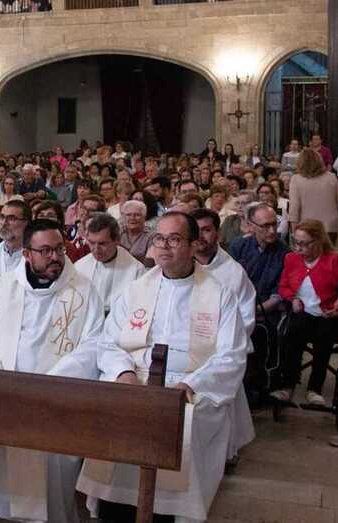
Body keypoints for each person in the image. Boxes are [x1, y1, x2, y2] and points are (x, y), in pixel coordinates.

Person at [77, 212, 247, 523]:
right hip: (136, 383)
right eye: (159, 239)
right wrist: (123, 374)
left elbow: (231, 356)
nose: (164, 246)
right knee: (110, 417)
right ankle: (115, 510)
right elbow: (109, 342)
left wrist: (190, 387)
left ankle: (170, 515)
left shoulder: (219, 293)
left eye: (174, 239)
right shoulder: (137, 289)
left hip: (189, 391)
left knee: (184, 427)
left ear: (194, 244)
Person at [0, 219, 105, 521]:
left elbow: (93, 345)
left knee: (46, 489)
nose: (56, 257)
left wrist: (49, 385)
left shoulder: (83, 292)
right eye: (46, 251)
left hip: (51, 405)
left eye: (59, 249)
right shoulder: (4, 287)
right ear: (27, 254)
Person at [190, 208, 258, 462]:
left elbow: (246, 318)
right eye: (196, 232)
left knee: (223, 374)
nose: (201, 237)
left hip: (221, 347)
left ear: (217, 233)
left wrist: (219, 345)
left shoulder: (233, 272)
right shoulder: (183, 266)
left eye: (207, 230)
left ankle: (226, 449)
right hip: (185, 347)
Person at [270, 220, 338, 406]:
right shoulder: (291, 259)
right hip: (301, 313)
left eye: (304, 243)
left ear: (318, 241)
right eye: (296, 242)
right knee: (292, 336)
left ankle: (314, 389)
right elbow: (283, 286)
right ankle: (287, 387)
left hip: (328, 314)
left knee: (324, 338)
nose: (298, 248)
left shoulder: (335, 260)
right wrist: (293, 298)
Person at [74, 213, 145, 314]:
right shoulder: (80, 266)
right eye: (92, 242)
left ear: (117, 240)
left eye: (102, 243)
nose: (96, 249)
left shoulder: (136, 270)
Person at [289, 147, 338, 242]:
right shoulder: (331, 177)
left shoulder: (296, 179)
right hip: (330, 226)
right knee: (328, 256)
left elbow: (294, 207)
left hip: (306, 228)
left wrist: (294, 230)